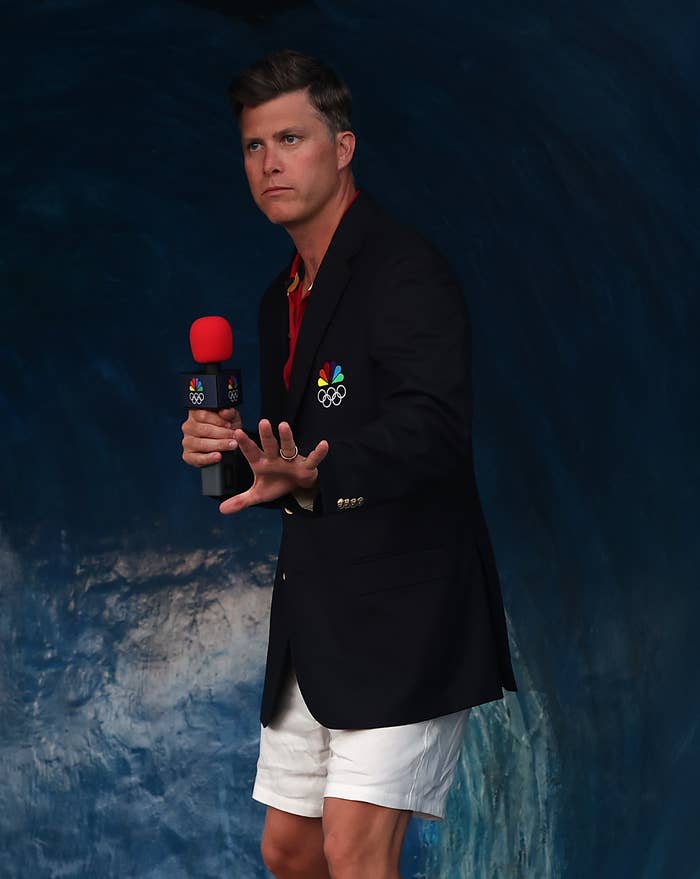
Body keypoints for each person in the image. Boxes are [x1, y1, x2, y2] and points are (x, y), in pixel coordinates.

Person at [181, 49, 518, 879]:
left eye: (291, 138)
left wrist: (319, 473)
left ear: (343, 147)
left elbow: (434, 429)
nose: (270, 163)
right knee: (290, 851)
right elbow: (298, 461)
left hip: (408, 612)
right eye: (255, 147)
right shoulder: (279, 298)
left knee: (354, 852)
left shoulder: (405, 270)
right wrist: (240, 458)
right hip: (319, 617)